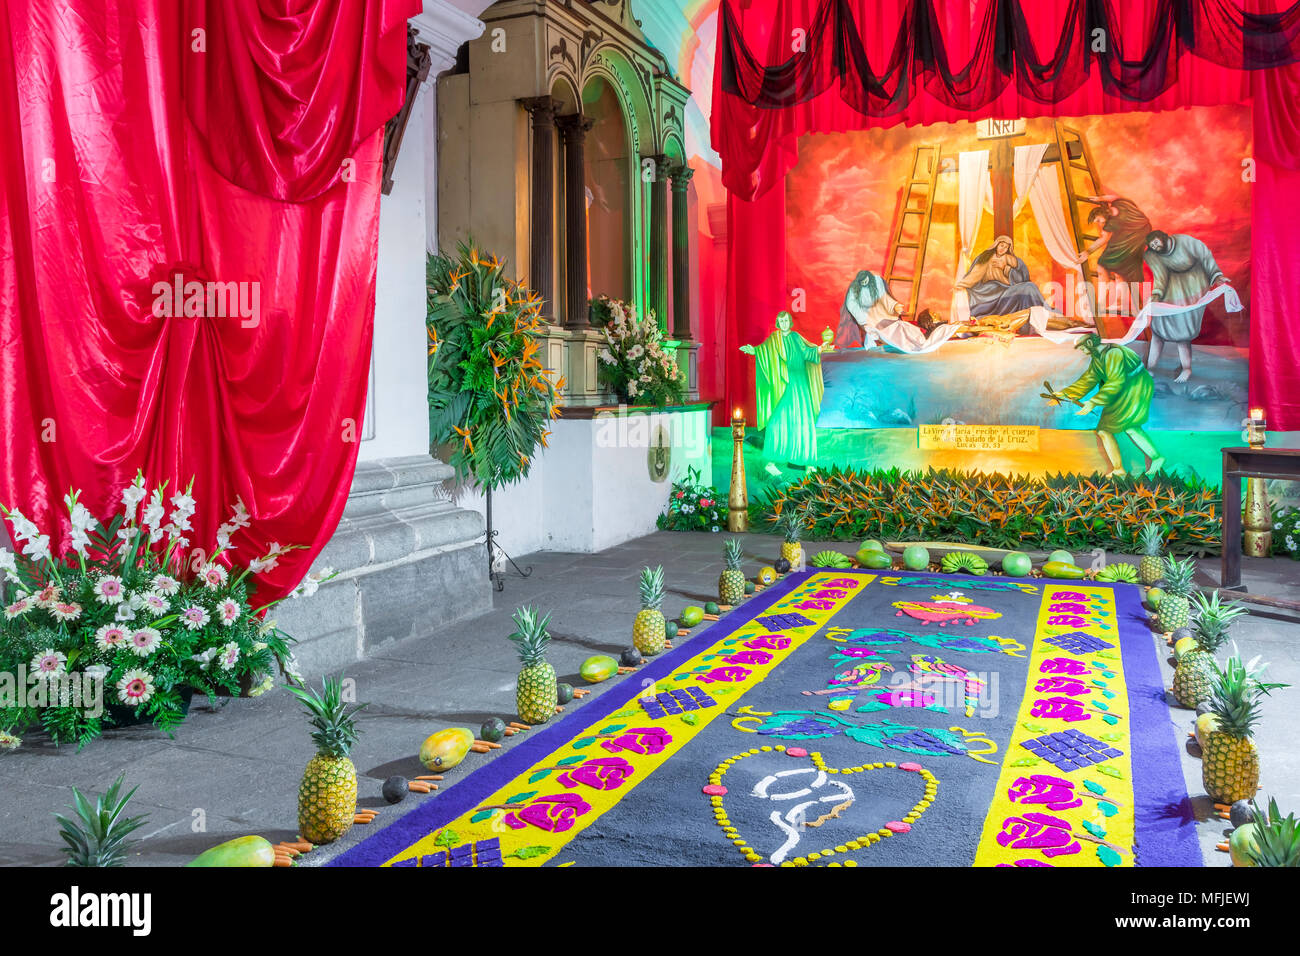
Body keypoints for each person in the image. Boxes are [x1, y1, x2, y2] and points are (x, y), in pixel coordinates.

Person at [1052, 333, 1163, 477]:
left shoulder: (1114, 353)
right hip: (1119, 392)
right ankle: (1118, 469)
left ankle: (1156, 457)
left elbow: (1116, 381)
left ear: (1090, 344)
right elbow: (1089, 379)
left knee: (1130, 426)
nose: (1081, 351)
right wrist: (1066, 394)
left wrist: (1093, 401)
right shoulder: (1097, 359)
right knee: (1103, 430)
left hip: (1135, 387)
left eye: (1082, 347)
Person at [739, 311, 829, 467]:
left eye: (786, 320)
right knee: (779, 419)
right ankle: (772, 461)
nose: (784, 323)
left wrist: (820, 348)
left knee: (802, 419)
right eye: (781, 321)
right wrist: (754, 350)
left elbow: (808, 353)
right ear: (778, 323)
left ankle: (806, 461)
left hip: (800, 384)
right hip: (782, 386)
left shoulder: (796, 338)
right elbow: (764, 351)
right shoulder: (774, 339)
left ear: (790, 322)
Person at [1142, 230, 1229, 383]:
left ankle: (1186, 369)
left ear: (1164, 238)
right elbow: (1160, 277)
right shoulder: (1152, 255)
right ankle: (1150, 368)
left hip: (1192, 289)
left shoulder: (1186, 242)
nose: (1155, 247)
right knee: (1158, 329)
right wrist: (1156, 295)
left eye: (1156, 243)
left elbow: (1205, 256)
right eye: (1152, 246)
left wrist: (1217, 275)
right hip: (1170, 289)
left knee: (1183, 334)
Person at [956, 236, 1051, 320]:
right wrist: (961, 285)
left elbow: (1021, 280)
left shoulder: (1009, 259)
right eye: (1002, 245)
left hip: (1006, 290)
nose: (1003, 249)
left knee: (1030, 286)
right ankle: (1045, 314)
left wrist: (1006, 268)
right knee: (1029, 287)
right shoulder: (986, 257)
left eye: (1006, 247)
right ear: (996, 244)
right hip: (991, 293)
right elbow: (974, 275)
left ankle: (1043, 315)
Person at [1075, 195, 1151, 285]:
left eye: (1099, 220)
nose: (1100, 223)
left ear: (1100, 214)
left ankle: (1104, 293)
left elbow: (1103, 239)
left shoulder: (1111, 223)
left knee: (1103, 263)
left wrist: (1087, 252)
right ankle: (1118, 293)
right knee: (1121, 269)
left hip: (1135, 236)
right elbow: (1115, 197)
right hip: (1145, 230)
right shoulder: (1119, 203)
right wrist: (1101, 198)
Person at [835, 269, 907, 349]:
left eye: (866, 281)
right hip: (863, 313)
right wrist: (863, 319)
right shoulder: (854, 288)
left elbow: (884, 297)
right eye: (862, 283)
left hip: (879, 310)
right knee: (871, 331)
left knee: (891, 326)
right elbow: (852, 305)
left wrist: (894, 306)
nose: (865, 284)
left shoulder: (877, 281)